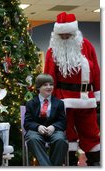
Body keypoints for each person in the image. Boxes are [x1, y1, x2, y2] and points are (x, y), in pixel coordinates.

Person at [44, 12, 100, 166]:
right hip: (63, 100)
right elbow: (49, 77)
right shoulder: (52, 51)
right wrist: (50, 100)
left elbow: (96, 72)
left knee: (91, 132)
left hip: (85, 98)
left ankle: (96, 162)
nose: (65, 38)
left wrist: (98, 92)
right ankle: (70, 163)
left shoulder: (87, 46)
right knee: (66, 133)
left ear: (74, 33)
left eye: (68, 34)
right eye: (62, 35)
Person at [24, 74, 68, 166]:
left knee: (61, 140)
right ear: (38, 87)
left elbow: (63, 122)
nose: (49, 87)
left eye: (51, 84)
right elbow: (27, 123)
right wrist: (38, 127)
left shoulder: (59, 103)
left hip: (54, 131)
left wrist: (53, 127)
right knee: (32, 139)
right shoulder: (30, 104)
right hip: (36, 131)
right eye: (45, 85)